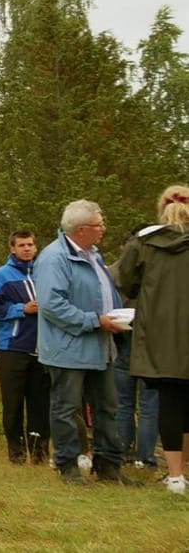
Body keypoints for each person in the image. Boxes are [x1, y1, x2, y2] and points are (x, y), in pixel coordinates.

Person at [33, 199, 142, 487]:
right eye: (99, 224)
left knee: (108, 407)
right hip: (67, 349)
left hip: (101, 347)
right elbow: (52, 304)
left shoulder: (92, 255)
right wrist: (95, 321)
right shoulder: (53, 258)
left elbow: (105, 293)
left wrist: (116, 317)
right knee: (67, 408)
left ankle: (108, 465)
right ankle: (68, 465)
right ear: (81, 229)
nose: (103, 229)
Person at [115, 184, 189, 496]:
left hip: (161, 338)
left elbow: (125, 281)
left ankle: (175, 476)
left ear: (162, 208)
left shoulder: (143, 241)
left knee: (170, 403)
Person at [0, 229, 50, 465]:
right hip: (12, 347)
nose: (27, 249)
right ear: (12, 248)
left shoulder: (45, 273)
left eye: (30, 244)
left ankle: (40, 453)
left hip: (42, 347)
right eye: (21, 245)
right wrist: (21, 309)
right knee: (13, 404)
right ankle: (16, 453)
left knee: (40, 403)